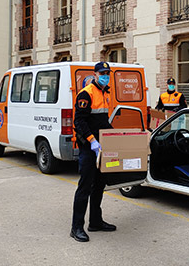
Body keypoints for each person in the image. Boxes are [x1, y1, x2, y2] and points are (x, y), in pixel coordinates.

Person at [70, 61, 116, 242]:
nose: (105, 76)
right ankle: (76, 227)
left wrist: (116, 136)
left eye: (108, 73)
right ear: (95, 74)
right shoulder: (86, 94)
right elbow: (79, 122)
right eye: (102, 73)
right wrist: (92, 142)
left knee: (99, 185)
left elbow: (103, 122)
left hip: (102, 146)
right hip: (89, 148)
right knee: (85, 187)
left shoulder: (106, 93)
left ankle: (95, 222)